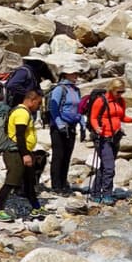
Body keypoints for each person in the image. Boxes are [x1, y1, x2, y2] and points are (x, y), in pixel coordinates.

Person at [0, 88, 44, 221]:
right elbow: (20, 135)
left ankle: (36, 207)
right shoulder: (22, 113)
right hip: (16, 152)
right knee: (12, 181)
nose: (38, 107)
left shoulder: (22, 111)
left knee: (29, 181)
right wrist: (25, 155)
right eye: (38, 103)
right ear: (31, 100)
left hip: (22, 151)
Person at [86, 78, 132, 204]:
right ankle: (107, 194)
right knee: (109, 167)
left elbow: (122, 117)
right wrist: (97, 127)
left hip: (116, 137)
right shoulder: (100, 101)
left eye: (122, 92)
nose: (120, 94)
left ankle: (95, 192)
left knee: (104, 166)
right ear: (111, 90)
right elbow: (93, 117)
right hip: (102, 138)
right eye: (118, 92)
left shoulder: (121, 101)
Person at [45, 59, 84, 195]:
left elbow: (79, 109)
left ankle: (63, 183)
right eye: (73, 73)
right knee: (58, 156)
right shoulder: (59, 89)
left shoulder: (76, 90)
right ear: (65, 74)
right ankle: (56, 185)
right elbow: (53, 108)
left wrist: (82, 124)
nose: (76, 75)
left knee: (67, 156)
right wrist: (60, 124)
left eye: (76, 73)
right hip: (58, 128)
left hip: (71, 127)